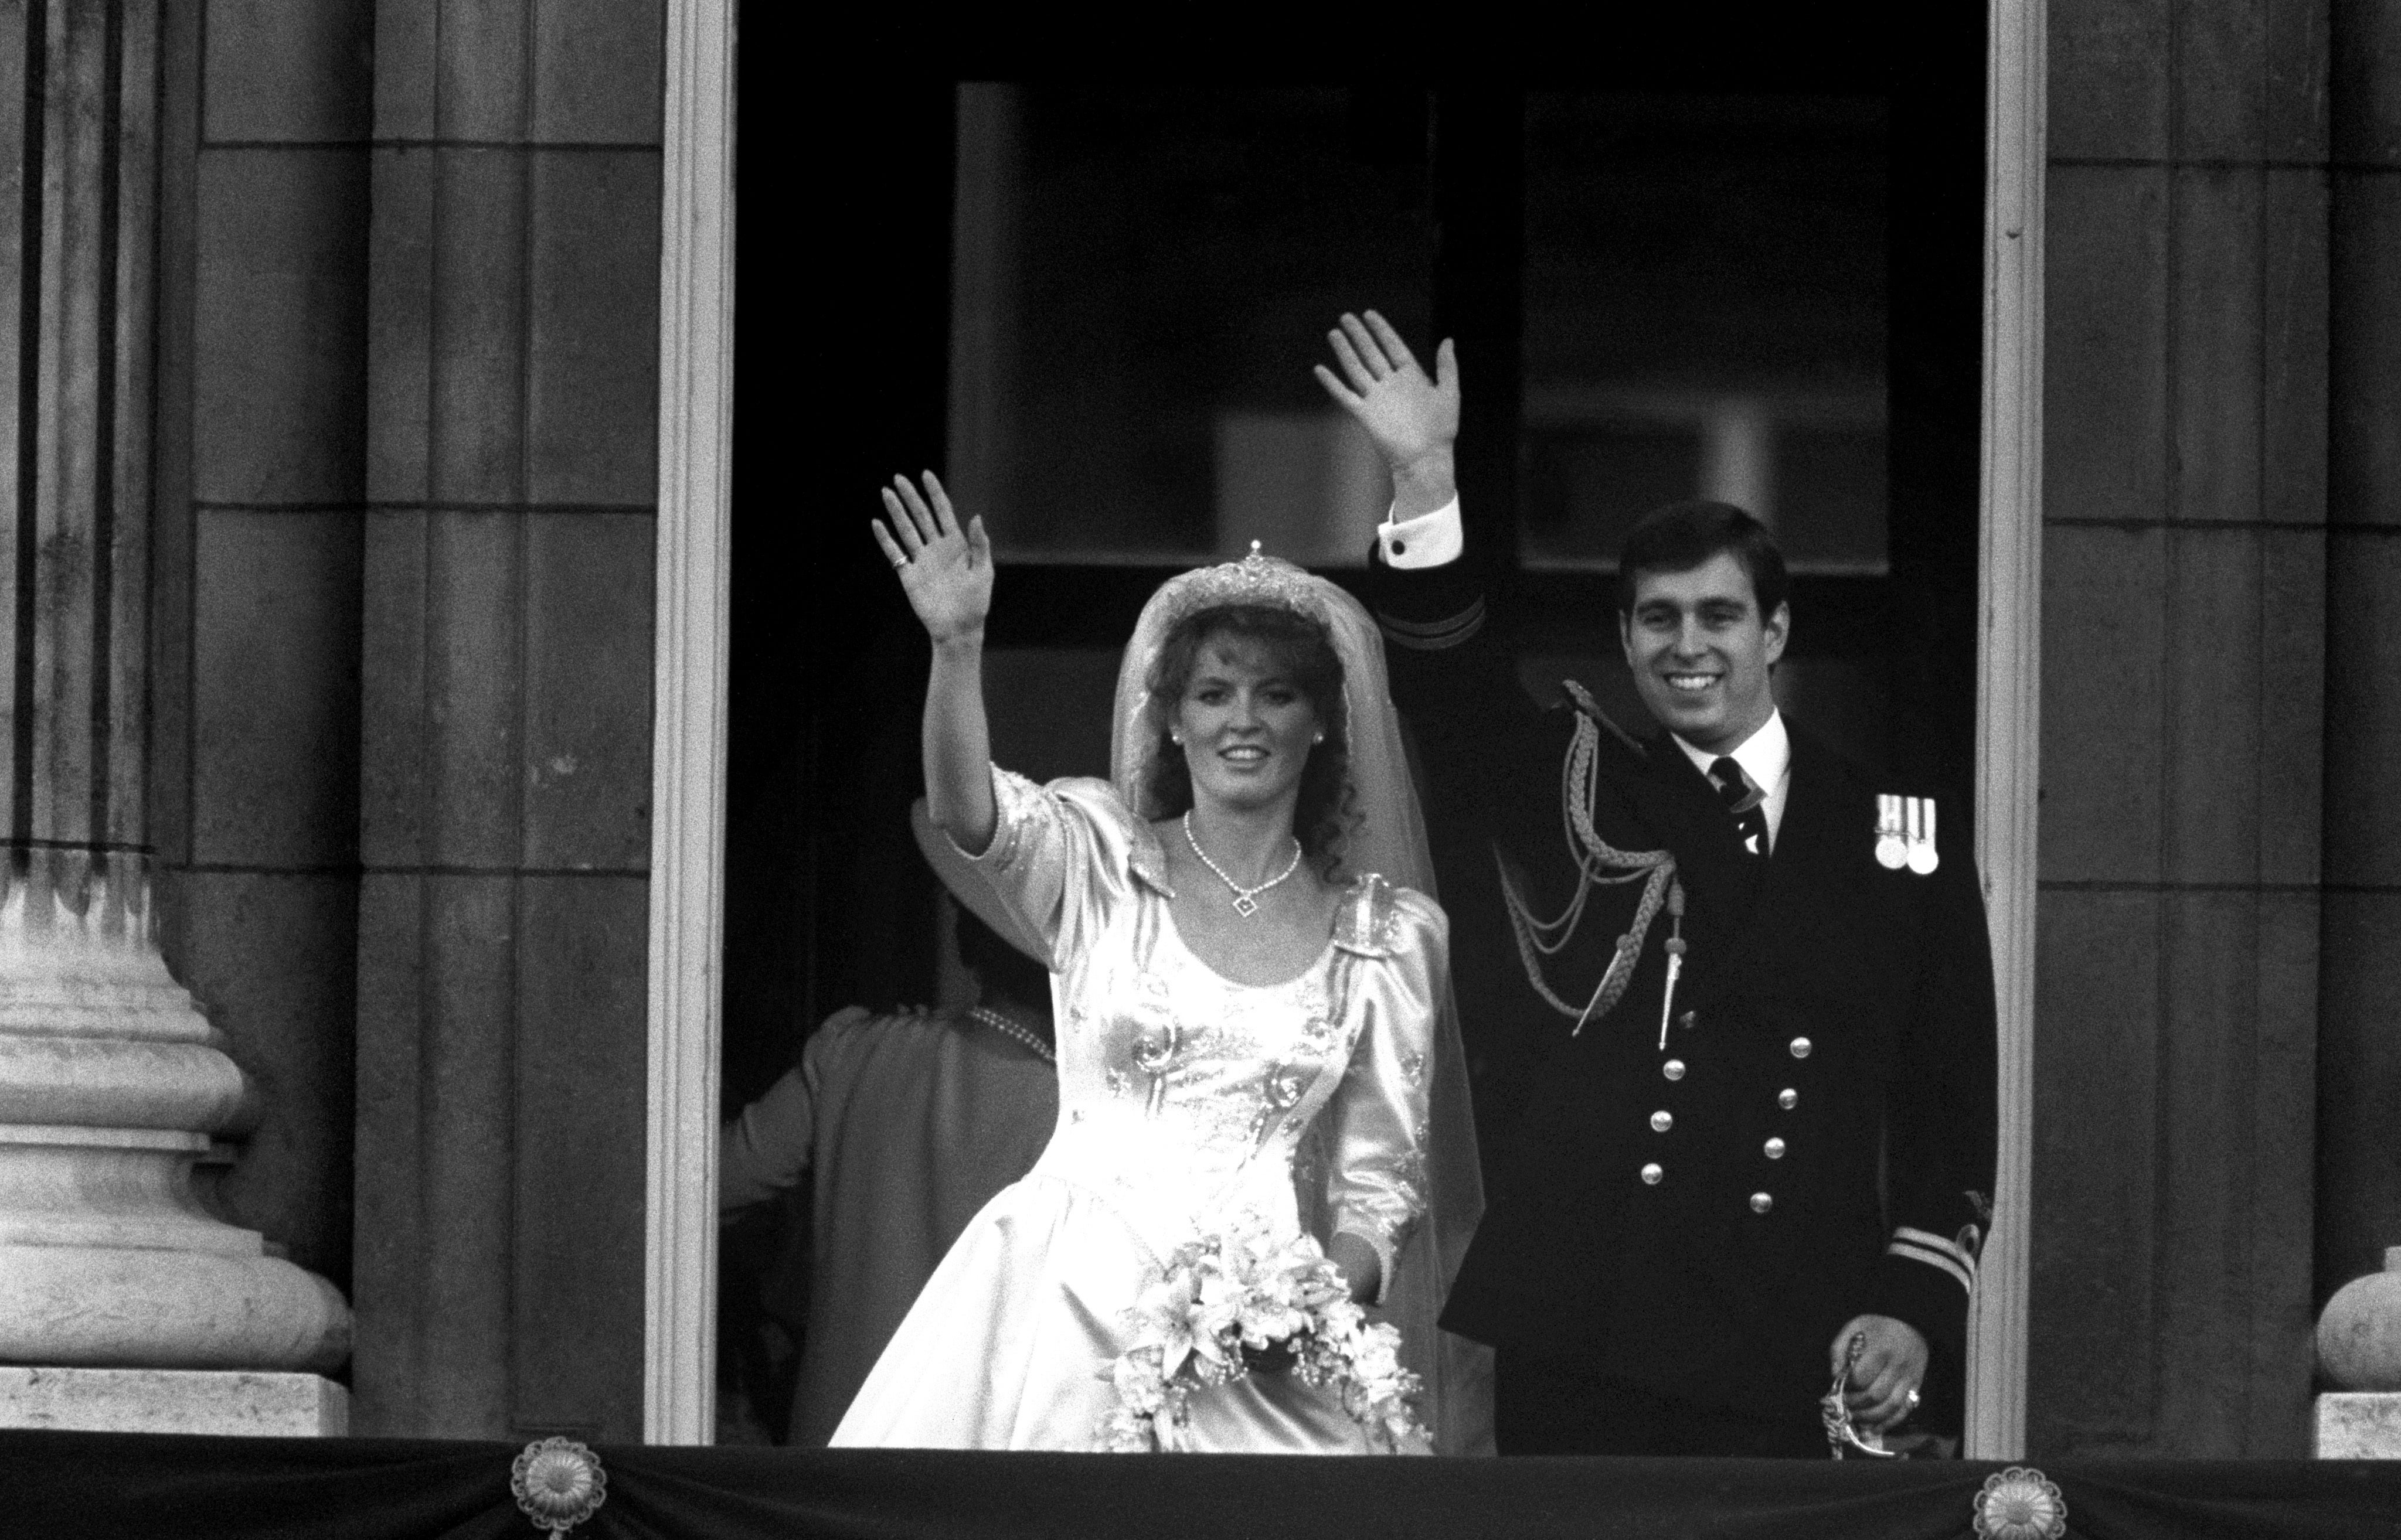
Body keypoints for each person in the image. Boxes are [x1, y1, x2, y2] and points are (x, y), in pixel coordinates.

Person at [1314, 310, 1997, 1456]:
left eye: (1719, 615)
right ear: (1625, 640)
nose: (1689, 645)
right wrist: (1422, 476)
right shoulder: (1576, 784)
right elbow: (1451, 687)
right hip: (1592, 1317)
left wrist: (1912, 1302)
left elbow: (1945, 1105)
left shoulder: (1895, 835)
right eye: (1658, 620)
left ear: (1774, 631)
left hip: (1797, 1321)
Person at [829, 469, 1488, 1453]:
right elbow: (970, 813)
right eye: (1213, 693)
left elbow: (1379, 1189)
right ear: (1173, 717)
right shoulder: (1096, 856)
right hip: (1067, 1304)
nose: (1244, 720)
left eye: (1277, 694)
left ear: (1321, 720)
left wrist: (1305, 1299)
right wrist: (956, 646)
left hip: (1266, 1352)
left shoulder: (1386, 936)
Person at [717, 802, 1061, 1448]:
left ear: (965, 939)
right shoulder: (1086, 1111)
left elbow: (708, 1185)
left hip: (838, 1452)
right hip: (983, 1469)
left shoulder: (856, 1051)